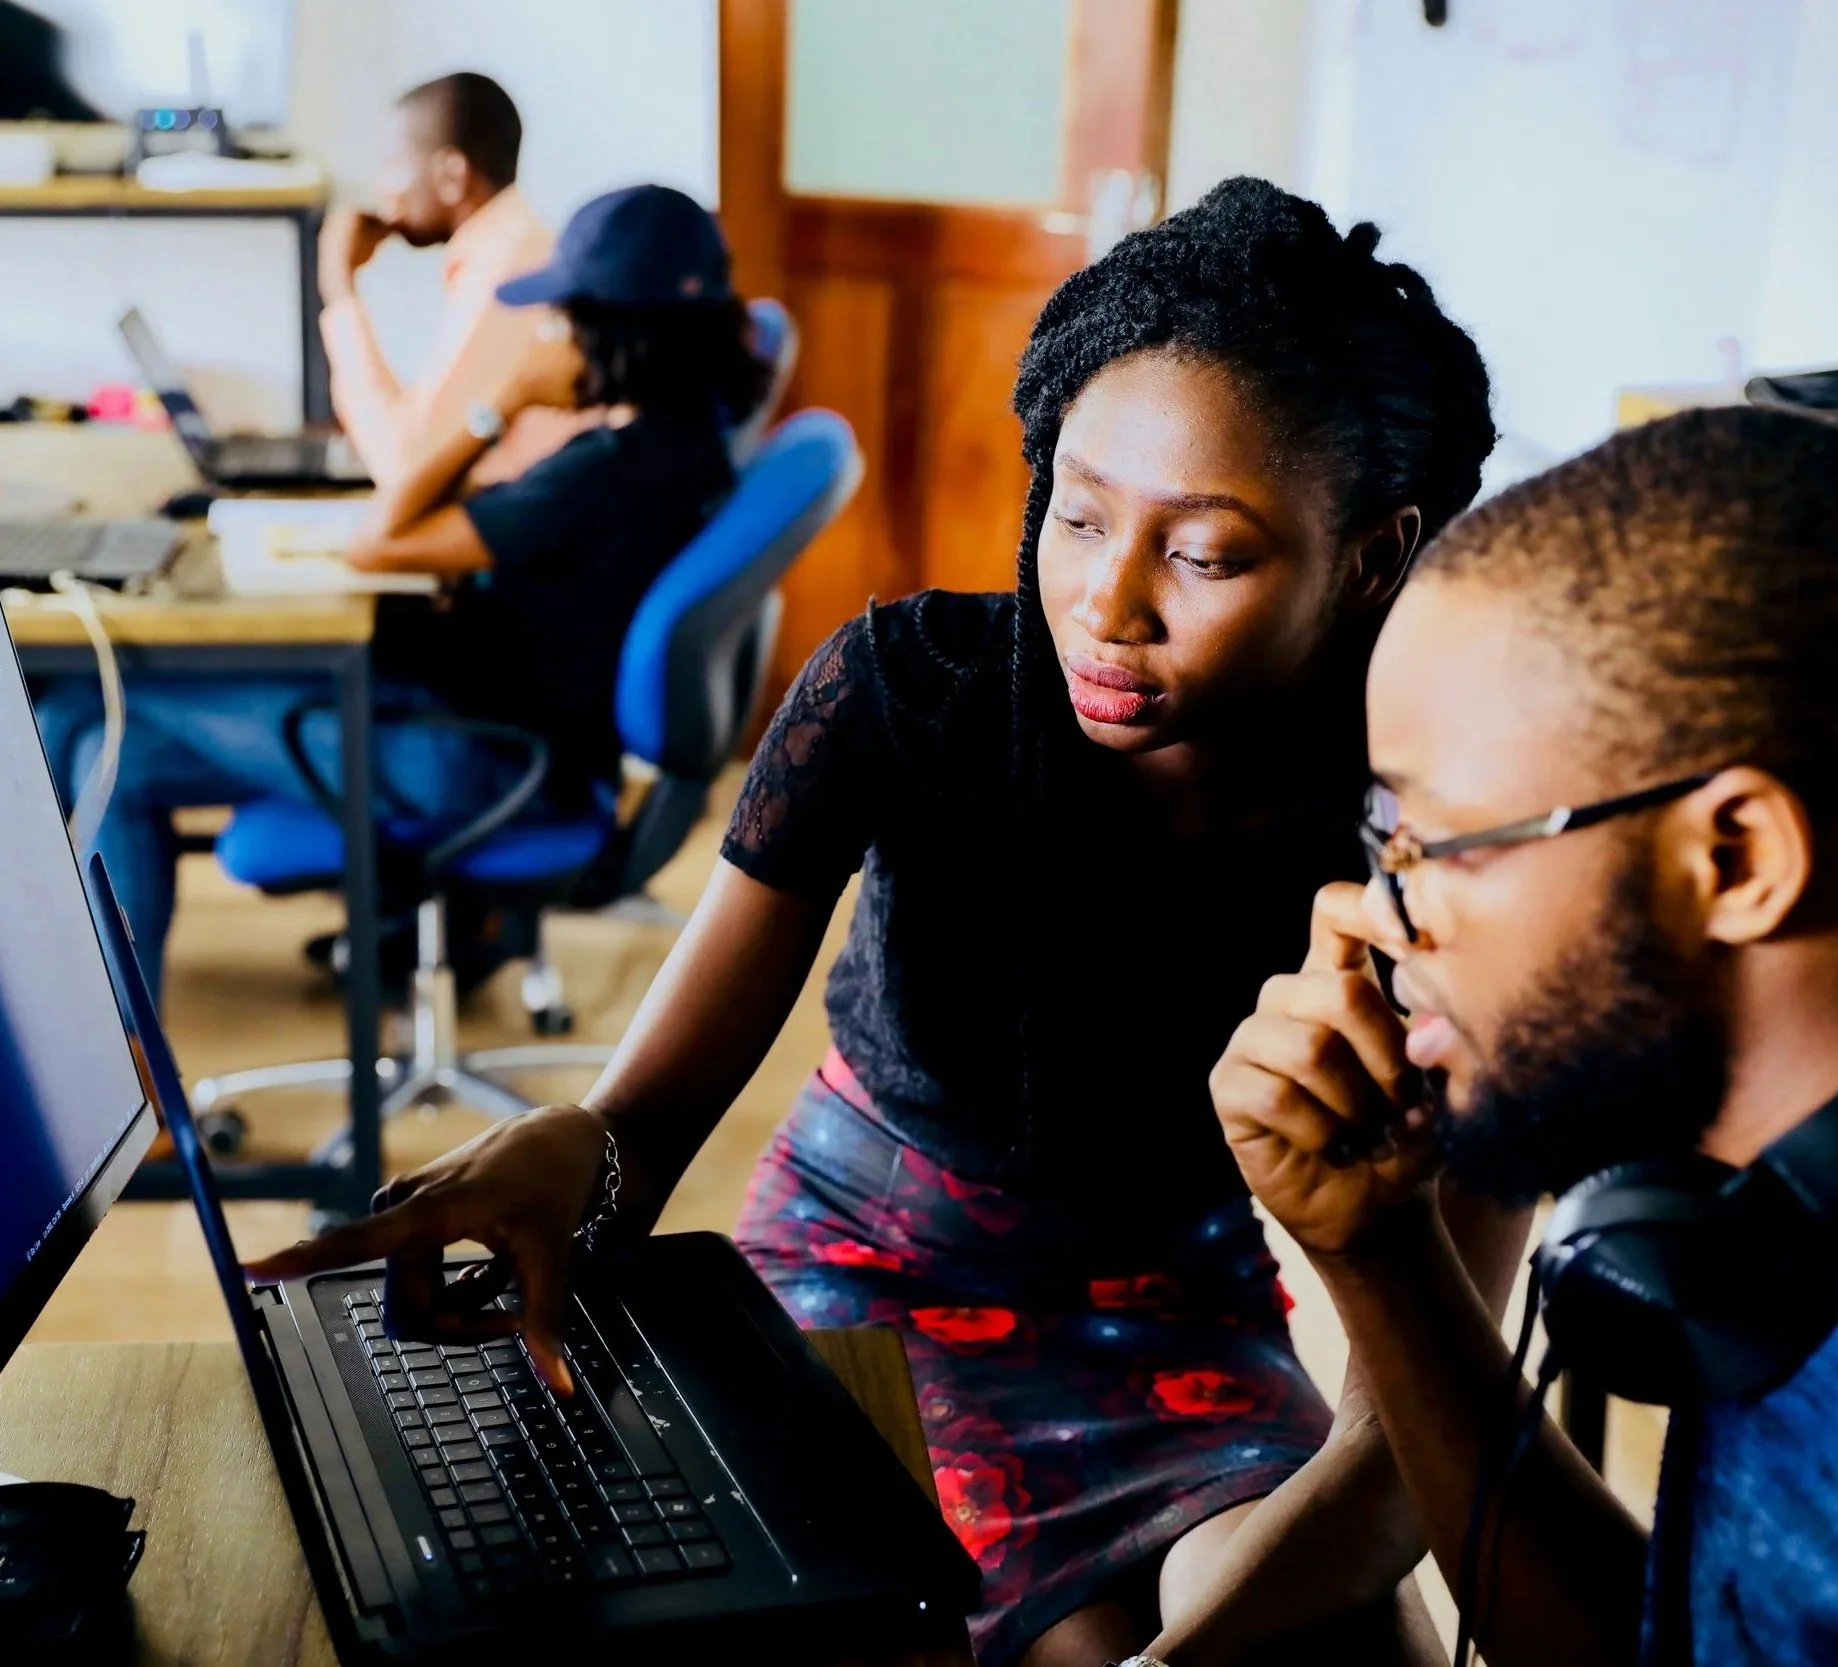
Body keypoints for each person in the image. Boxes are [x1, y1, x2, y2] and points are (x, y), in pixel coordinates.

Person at [252, 177, 1510, 1666]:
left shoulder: (1444, 844)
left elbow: (1415, 1440)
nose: (1103, 600)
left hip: (1172, 1331)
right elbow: (641, 1122)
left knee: (1350, 1643)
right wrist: (569, 1151)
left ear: (1371, 553)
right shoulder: (906, 695)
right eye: (1078, 511)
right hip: (857, 1284)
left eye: (1201, 552)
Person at [1210, 406, 1838, 1666]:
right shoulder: (1750, 1228)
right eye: (1376, 833)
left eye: (1431, 844)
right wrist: (1380, 1254)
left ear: (1732, 859)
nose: (1368, 915)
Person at [34, 185, 765, 1002]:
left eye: (560, 315)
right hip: (497, 732)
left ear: (613, 328)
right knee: (87, 727)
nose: (545, 333)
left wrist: (501, 403)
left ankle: (129, 1067)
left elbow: (382, 537)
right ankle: (125, 1053)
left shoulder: (606, 472)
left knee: (89, 727)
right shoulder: (687, 444)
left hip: (474, 759)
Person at [320, 71, 592, 488]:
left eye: (394, 165)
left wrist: (339, 290)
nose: (381, 189)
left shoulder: (505, 270)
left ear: (452, 175)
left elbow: (407, 467)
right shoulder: (513, 246)